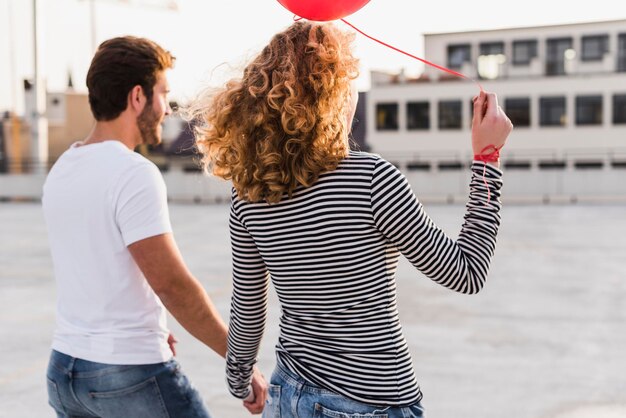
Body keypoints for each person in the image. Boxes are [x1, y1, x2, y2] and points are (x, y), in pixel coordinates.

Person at [191, 21, 512, 417]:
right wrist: (487, 158)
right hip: (369, 403)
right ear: (334, 94)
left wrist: (239, 380)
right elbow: (466, 273)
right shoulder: (372, 180)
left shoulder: (248, 194)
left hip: (287, 396)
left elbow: (249, 305)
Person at [42, 36, 266, 418]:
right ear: (137, 97)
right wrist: (240, 361)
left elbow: (98, 267)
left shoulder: (62, 169)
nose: (166, 108)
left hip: (65, 372)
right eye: (163, 93)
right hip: (126, 376)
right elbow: (172, 285)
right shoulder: (133, 173)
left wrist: (147, 328)